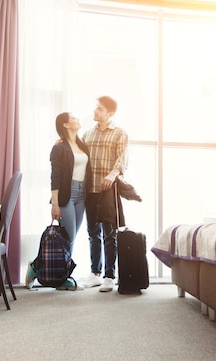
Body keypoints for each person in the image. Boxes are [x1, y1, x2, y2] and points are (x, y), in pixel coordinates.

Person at [25, 112, 92, 291]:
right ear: (65, 124)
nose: (78, 119)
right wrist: (55, 203)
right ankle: (63, 279)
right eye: (74, 118)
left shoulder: (82, 145)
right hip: (65, 195)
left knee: (72, 238)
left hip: (81, 195)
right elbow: (55, 177)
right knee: (68, 238)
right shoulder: (59, 148)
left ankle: (35, 267)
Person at [81, 96, 128, 292]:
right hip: (89, 189)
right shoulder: (87, 134)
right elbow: (78, 154)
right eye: (96, 108)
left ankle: (110, 276)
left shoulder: (119, 133)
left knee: (110, 234)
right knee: (93, 233)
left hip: (108, 190)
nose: (95, 111)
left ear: (110, 113)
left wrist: (112, 174)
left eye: (99, 109)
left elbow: (122, 159)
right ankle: (95, 273)